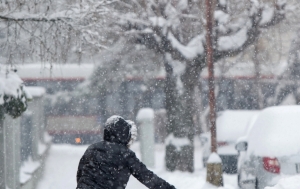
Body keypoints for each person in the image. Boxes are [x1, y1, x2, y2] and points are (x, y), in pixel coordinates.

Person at [76, 115, 176, 189]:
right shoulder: (125, 154)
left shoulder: (92, 148)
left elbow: (80, 174)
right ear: (123, 135)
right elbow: (147, 177)